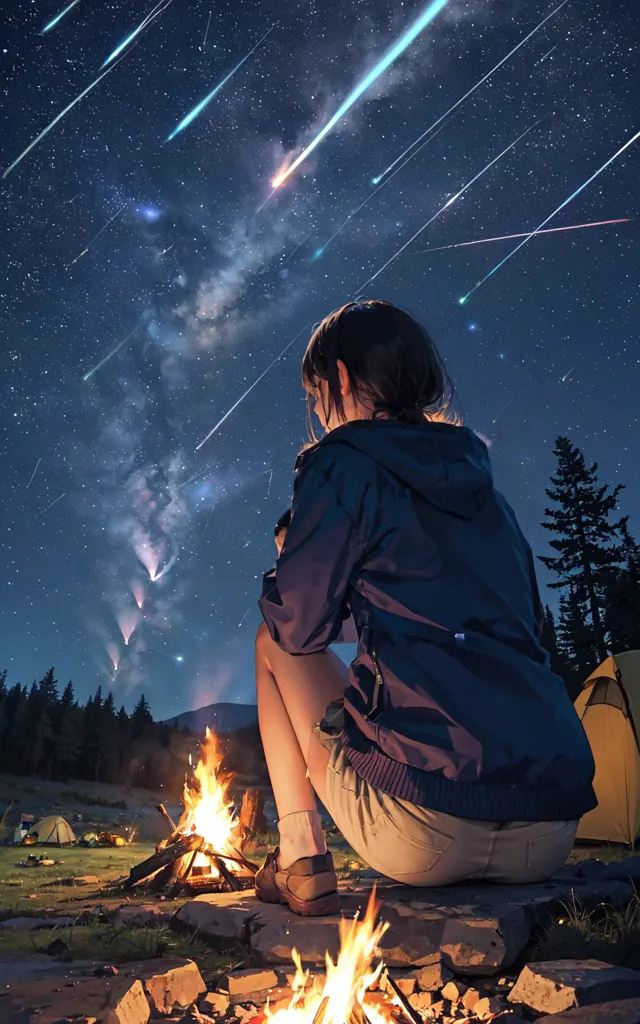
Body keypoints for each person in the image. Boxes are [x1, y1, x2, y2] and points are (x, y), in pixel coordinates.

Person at [254, 300, 596, 917]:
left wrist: (294, 556)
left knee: (269, 643)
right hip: (545, 832)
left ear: (340, 378)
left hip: (425, 832)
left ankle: (300, 860)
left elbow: (297, 628)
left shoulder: (343, 465)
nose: (318, 412)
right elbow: (464, 617)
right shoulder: (485, 493)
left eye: (317, 394)